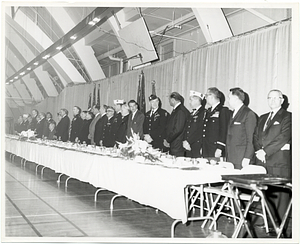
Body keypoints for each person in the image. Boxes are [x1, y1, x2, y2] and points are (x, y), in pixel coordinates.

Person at [253, 89, 291, 225]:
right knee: (266, 192)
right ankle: (267, 221)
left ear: (282, 100)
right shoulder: (263, 117)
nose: (273, 100)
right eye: (270, 98)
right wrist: (259, 151)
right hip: (262, 161)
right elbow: (255, 136)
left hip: (278, 161)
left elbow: (284, 137)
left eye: (276, 98)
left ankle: (280, 226)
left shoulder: (288, 116)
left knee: (280, 194)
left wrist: (265, 151)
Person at [226, 88, 257, 169]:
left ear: (236, 99)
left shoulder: (248, 114)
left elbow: (251, 138)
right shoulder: (233, 113)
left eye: (229, 98)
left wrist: (247, 157)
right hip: (231, 157)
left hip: (241, 158)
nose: (228, 101)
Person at [202, 87, 231, 158]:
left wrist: (220, 148)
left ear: (212, 96)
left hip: (215, 148)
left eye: (206, 96)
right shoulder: (208, 111)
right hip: (207, 147)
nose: (205, 98)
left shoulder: (223, 110)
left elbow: (224, 130)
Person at [164, 92, 189, 156]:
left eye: (169, 100)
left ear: (173, 100)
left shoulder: (180, 111)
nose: (169, 102)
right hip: (175, 143)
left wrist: (168, 140)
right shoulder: (178, 110)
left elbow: (178, 129)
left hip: (177, 145)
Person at [182, 91, 206, 158]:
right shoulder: (191, 113)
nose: (189, 102)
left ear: (197, 100)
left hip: (196, 145)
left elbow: (200, 130)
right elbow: (186, 128)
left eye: (191, 100)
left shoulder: (203, 113)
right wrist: (184, 141)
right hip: (187, 146)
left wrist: (189, 141)